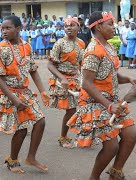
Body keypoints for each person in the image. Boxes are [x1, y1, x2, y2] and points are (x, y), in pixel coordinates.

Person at [67, 11, 136, 180]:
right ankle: (93, 177)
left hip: (110, 102)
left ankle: (115, 173)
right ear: (98, 26)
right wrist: (109, 106)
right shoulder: (92, 51)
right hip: (95, 103)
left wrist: (130, 79)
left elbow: (112, 75)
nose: (114, 27)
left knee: (131, 135)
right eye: (110, 24)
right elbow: (87, 83)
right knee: (111, 147)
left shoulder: (109, 47)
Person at [0, 15, 50, 173]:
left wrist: (43, 91)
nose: (4, 31)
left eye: (8, 28)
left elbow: (33, 70)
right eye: (2, 28)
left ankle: (31, 157)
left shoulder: (26, 46)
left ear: (18, 29)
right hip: (9, 94)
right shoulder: (1, 48)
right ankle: (13, 161)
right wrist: (15, 100)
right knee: (21, 128)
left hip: (25, 92)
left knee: (40, 121)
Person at [48, 17, 85, 148]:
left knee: (83, 108)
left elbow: (81, 63)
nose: (69, 28)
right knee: (71, 110)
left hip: (76, 79)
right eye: (66, 26)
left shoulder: (81, 43)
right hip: (63, 81)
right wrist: (61, 78)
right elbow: (50, 65)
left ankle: (84, 135)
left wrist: (84, 78)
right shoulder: (59, 43)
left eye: (72, 25)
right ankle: (63, 137)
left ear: (78, 27)